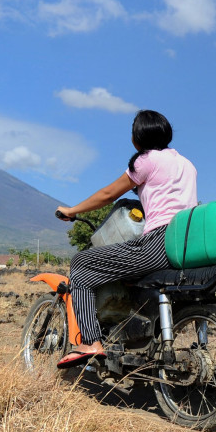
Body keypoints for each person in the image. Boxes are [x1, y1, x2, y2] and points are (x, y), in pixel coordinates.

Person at [55, 110, 197, 368]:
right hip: (186, 245)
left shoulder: (146, 160)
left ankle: (90, 342)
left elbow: (109, 194)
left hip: (157, 243)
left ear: (136, 139)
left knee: (82, 265)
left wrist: (71, 210)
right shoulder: (187, 164)